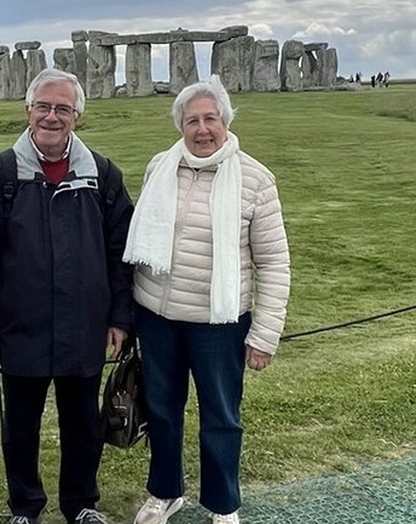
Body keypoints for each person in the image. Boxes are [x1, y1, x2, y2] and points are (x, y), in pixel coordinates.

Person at [0, 68, 134, 524]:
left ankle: (81, 505)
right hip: (22, 324)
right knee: (20, 426)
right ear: (28, 111)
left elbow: (122, 252)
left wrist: (120, 316)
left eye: (63, 108)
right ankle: (25, 507)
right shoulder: (1, 173)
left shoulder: (102, 174)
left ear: (77, 116)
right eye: (43, 106)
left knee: (82, 422)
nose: (52, 116)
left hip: (84, 323)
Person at [123, 75, 290, 524]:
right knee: (160, 408)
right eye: (192, 120)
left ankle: (222, 503)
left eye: (210, 118)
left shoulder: (255, 179)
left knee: (221, 415)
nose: (202, 129)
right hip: (157, 313)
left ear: (226, 121)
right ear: (180, 124)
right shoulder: (160, 166)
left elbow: (273, 261)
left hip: (220, 320)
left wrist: (265, 333)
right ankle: (165, 491)